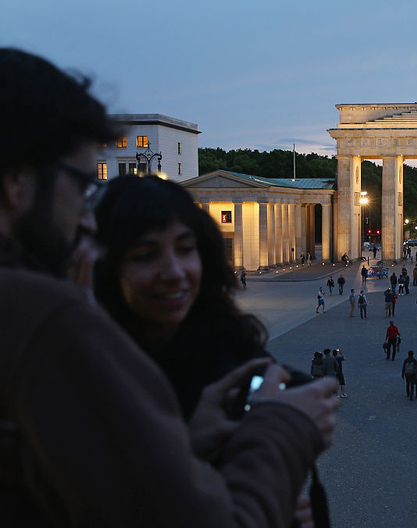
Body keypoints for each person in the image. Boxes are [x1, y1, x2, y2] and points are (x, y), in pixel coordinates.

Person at [0, 48, 338, 526]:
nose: (84, 216)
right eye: (81, 183)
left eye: (186, 249)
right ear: (15, 182)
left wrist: (183, 442)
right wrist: (283, 428)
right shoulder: (43, 317)